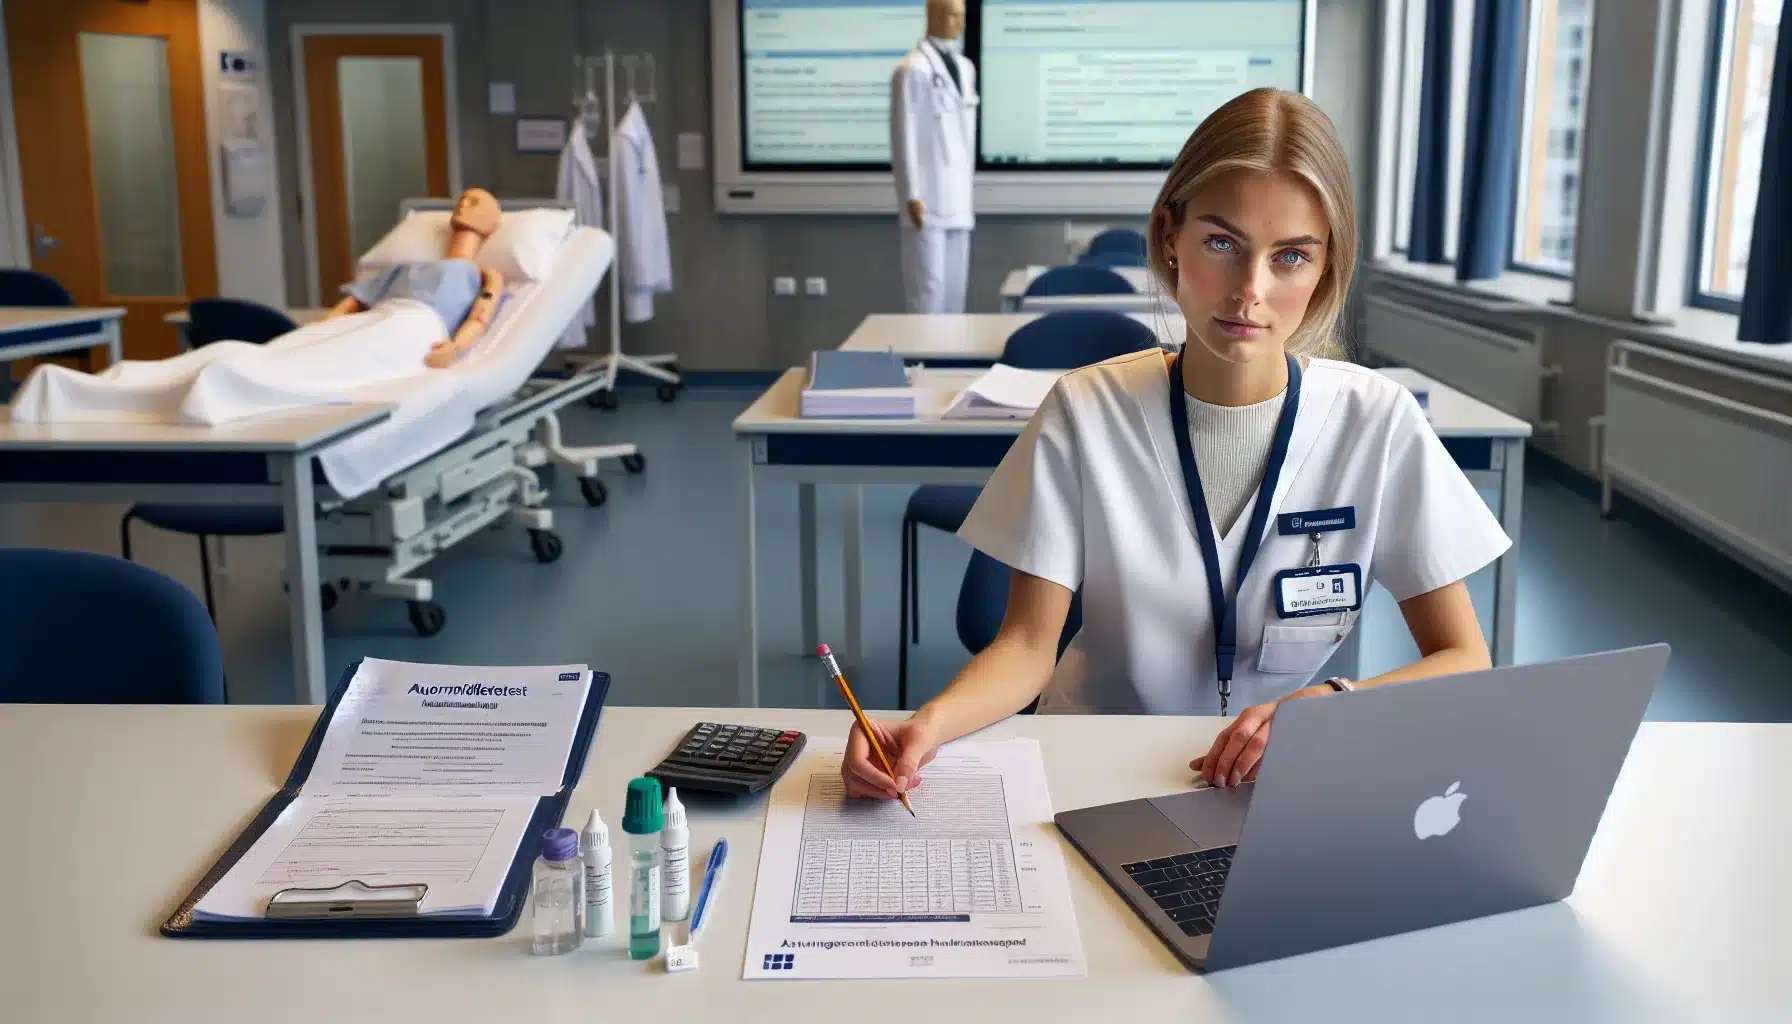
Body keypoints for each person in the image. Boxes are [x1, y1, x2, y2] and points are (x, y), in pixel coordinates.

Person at [844, 88, 1511, 801]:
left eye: (1290, 257)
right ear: (1170, 237)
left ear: (1325, 268)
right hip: (1091, 769)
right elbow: (1028, 648)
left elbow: (1464, 655)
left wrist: (1338, 705)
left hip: (1271, 781)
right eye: (1221, 244)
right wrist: (927, 725)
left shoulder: (1375, 424)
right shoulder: (1086, 411)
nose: (1249, 291)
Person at [10, 188, 505, 426]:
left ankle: (228, 386)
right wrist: (314, 332)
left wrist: (456, 348)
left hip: (417, 333)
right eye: (463, 198)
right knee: (248, 349)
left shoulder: (487, 274)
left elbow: (481, 313)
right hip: (379, 319)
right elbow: (350, 306)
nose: (465, 205)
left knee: (318, 366)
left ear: (492, 224)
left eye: (477, 202)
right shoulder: (401, 268)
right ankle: (97, 387)